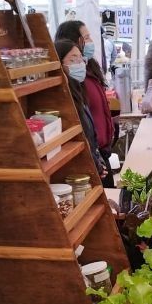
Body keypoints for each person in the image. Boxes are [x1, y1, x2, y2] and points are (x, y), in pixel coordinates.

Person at [56, 20, 115, 186]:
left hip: (99, 153)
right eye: (86, 37)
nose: (90, 41)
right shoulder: (68, 94)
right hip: (90, 161)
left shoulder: (86, 74)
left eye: (80, 59)